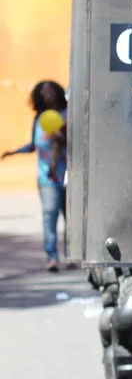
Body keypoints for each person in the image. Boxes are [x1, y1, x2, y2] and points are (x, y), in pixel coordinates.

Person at [3, 80, 68, 271]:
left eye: (50, 90)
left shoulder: (68, 115)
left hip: (69, 176)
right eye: (43, 91)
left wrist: (61, 133)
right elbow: (34, 145)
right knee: (50, 216)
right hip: (46, 178)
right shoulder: (39, 119)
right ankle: (52, 257)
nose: (47, 94)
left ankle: (72, 256)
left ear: (57, 92)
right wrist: (14, 152)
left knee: (70, 219)